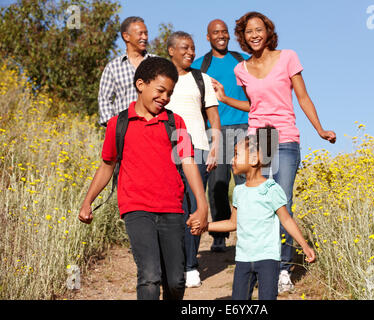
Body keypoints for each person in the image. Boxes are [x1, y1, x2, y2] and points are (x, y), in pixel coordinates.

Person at [211, 11, 336, 293]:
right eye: (248, 31)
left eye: (259, 29)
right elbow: (254, 106)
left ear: (268, 32)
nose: (254, 34)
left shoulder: (288, 57)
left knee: (283, 200)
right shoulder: (240, 70)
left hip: (286, 135)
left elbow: (302, 97)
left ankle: (281, 268)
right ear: (242, 37)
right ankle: (256, 260)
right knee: (256, 197)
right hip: (260, 137)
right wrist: (224, 98)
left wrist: (320, 129)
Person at [78, 57, 209, 300]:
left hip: (173, 209)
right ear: (141, 84)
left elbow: (189, 163)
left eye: (169, 93)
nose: (165, 98)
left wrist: (202, 205)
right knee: (149, 276)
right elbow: (107, 166)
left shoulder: (174, 122)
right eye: (160, 90)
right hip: (137, 209)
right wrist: (87, 201)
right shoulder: (119, 124)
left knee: (176, 281)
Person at [189, 127, 316, 300]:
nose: (232, 159)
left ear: (255, 159)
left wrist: (304, 246)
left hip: (268, 259)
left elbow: (286, 220)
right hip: (243, 259)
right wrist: (206, 226)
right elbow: (233, 223)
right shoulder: (239, 192)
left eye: (236, 154)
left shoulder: (271, 189)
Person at [165, 31, 221, 288]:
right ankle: (173, 263)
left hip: (198, 148)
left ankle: (191, 266)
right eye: (184, 48)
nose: (190, 52)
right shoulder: (162, 79)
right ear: (171, 51)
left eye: (192, 48)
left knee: (194, 207)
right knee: (171, 210)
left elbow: (213, 118)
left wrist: (215, 148)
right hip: (166, 149)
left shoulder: (203, 79)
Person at [191, 19, 249, 253]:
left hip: (245, 127)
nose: (221, 35)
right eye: (216, 32)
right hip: (216, 130)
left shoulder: (241, 61)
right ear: (208, 37)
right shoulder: (199, 65)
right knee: (218, 183)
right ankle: (219, 234)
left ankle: (247, 231)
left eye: (224, 32)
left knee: (247, 182)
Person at [98, 16, 155, 126]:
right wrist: (113, 125)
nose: (144, 37)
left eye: (146, 33)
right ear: (126, 36)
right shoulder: (113, 67)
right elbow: (104, 99)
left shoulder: (157, 63)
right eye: (140, 33)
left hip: (152, 128)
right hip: (124, 129)